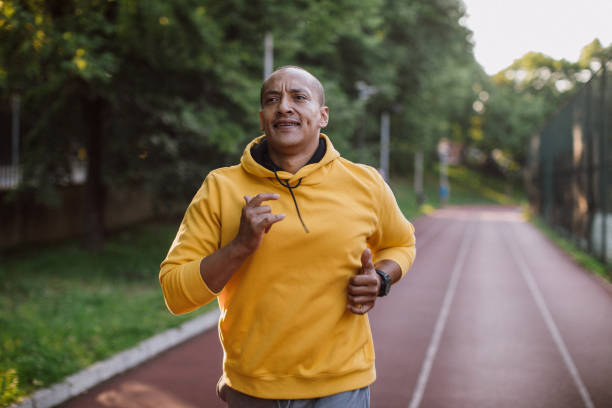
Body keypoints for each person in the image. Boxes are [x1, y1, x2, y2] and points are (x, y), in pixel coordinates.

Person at [159, 66, 416, 407]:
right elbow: (176, 293)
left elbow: (402, 243)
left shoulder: (365, 183)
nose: (284, 107)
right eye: (272, 100)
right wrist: (239, 247)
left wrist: (382, 277)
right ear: (263, 118)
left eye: (299, 97)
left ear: (322, 115)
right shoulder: (221, 187)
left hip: (341, 383)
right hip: (253, 388)